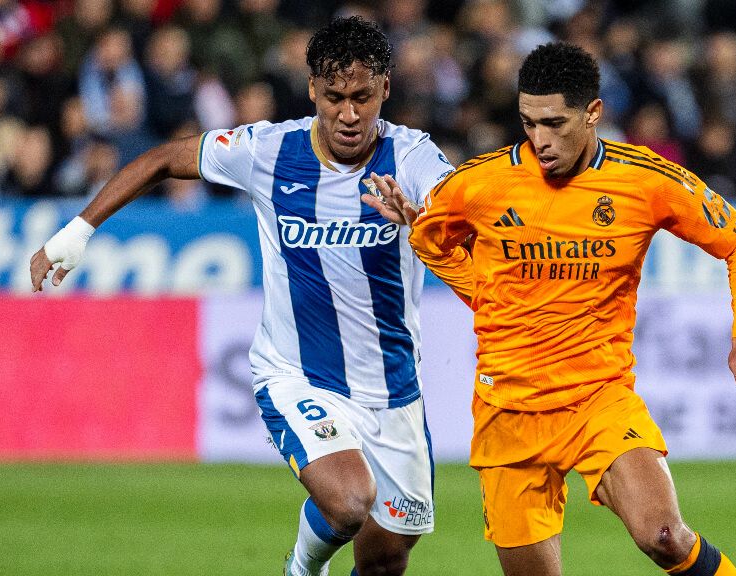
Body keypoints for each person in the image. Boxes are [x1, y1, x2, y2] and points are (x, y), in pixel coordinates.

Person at [29, 16, 454, 576]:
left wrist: (427, 217)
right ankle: (302, 568)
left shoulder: (413, 157)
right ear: (311, 91)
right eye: (334, 98)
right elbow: (162, 159)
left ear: (386, 90)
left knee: (387, 557)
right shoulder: (267, 151)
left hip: (395, 390)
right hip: (297, 375)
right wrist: (78, 231)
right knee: (349, 502)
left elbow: (462, 203)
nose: (349, 115)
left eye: (362, 98)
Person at [363, 42, 736, 576]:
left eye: (555, 123)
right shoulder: (479, 184)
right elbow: (440, 245)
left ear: (593, 113)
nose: (540, 140)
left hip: (597, 398)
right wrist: (458, 267)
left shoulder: (644, 179)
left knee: (666, 537)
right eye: (529, 123)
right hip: (507, 411)